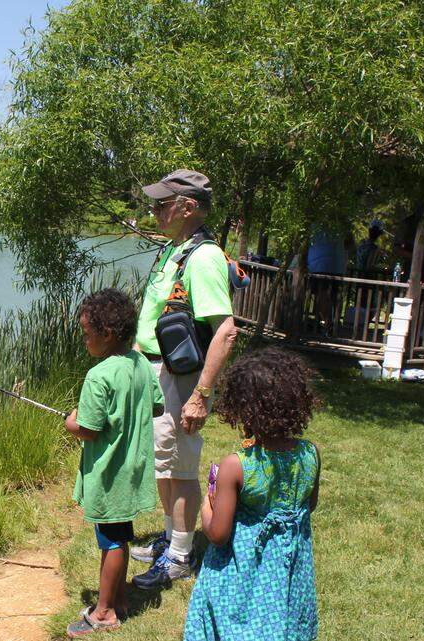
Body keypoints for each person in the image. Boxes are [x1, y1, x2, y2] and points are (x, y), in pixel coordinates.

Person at [128, 169, 237, 588]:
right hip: (156, 372)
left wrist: (200, 396)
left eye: (161, 204)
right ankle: (172, 537)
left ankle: (179, 556)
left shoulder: (204, 257)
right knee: (163, 463)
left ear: (187, 207)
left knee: (181, 467)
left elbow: (225, 329)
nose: (153, 210)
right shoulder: (174, 250)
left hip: (179, 379)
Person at [183, 347, 321, 640]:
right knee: (284, 623)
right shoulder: (311, 453)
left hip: (244, 571)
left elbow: (219, 534)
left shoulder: (238, 466)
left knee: (241, 625)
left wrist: (208, 507)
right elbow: (310, 504)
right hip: (289, 571)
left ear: (244, 408)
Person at [64, 288, 164, 637]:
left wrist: (70, 422)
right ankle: (119, 599)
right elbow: (157, 407)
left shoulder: (99, 375)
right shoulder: (140, 365)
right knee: (120, 536)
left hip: (109, 473)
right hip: (132, 467)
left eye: (86, 334)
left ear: (106, 334)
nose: (84, 340)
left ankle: (104, 612)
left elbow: (88, 430)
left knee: (109, 540)